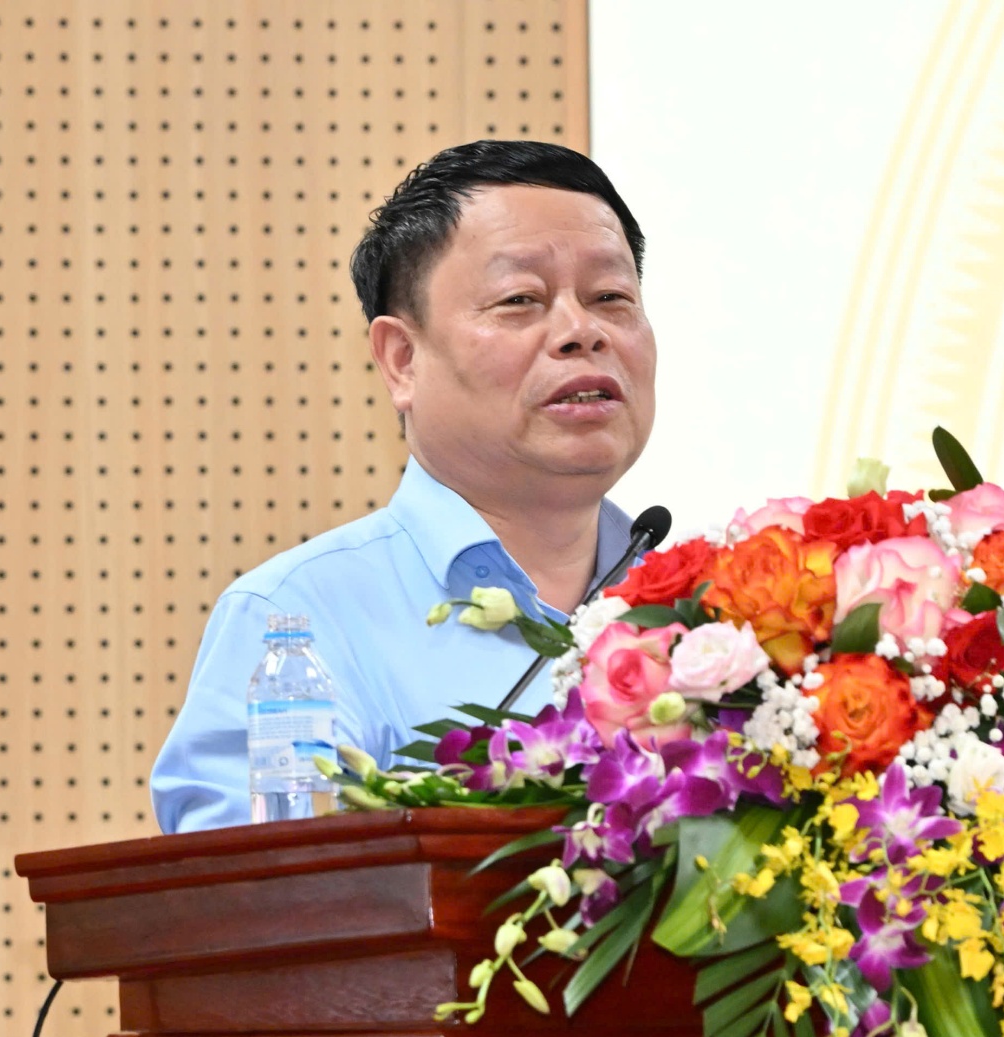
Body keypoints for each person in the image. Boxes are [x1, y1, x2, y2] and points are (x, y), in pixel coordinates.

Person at [150, 140, 657, 833]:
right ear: (402, 360)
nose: (581, 331)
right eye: (520, 300)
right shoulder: (295, 625)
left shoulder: (715, 616)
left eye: (611, 298)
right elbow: (258, 889)